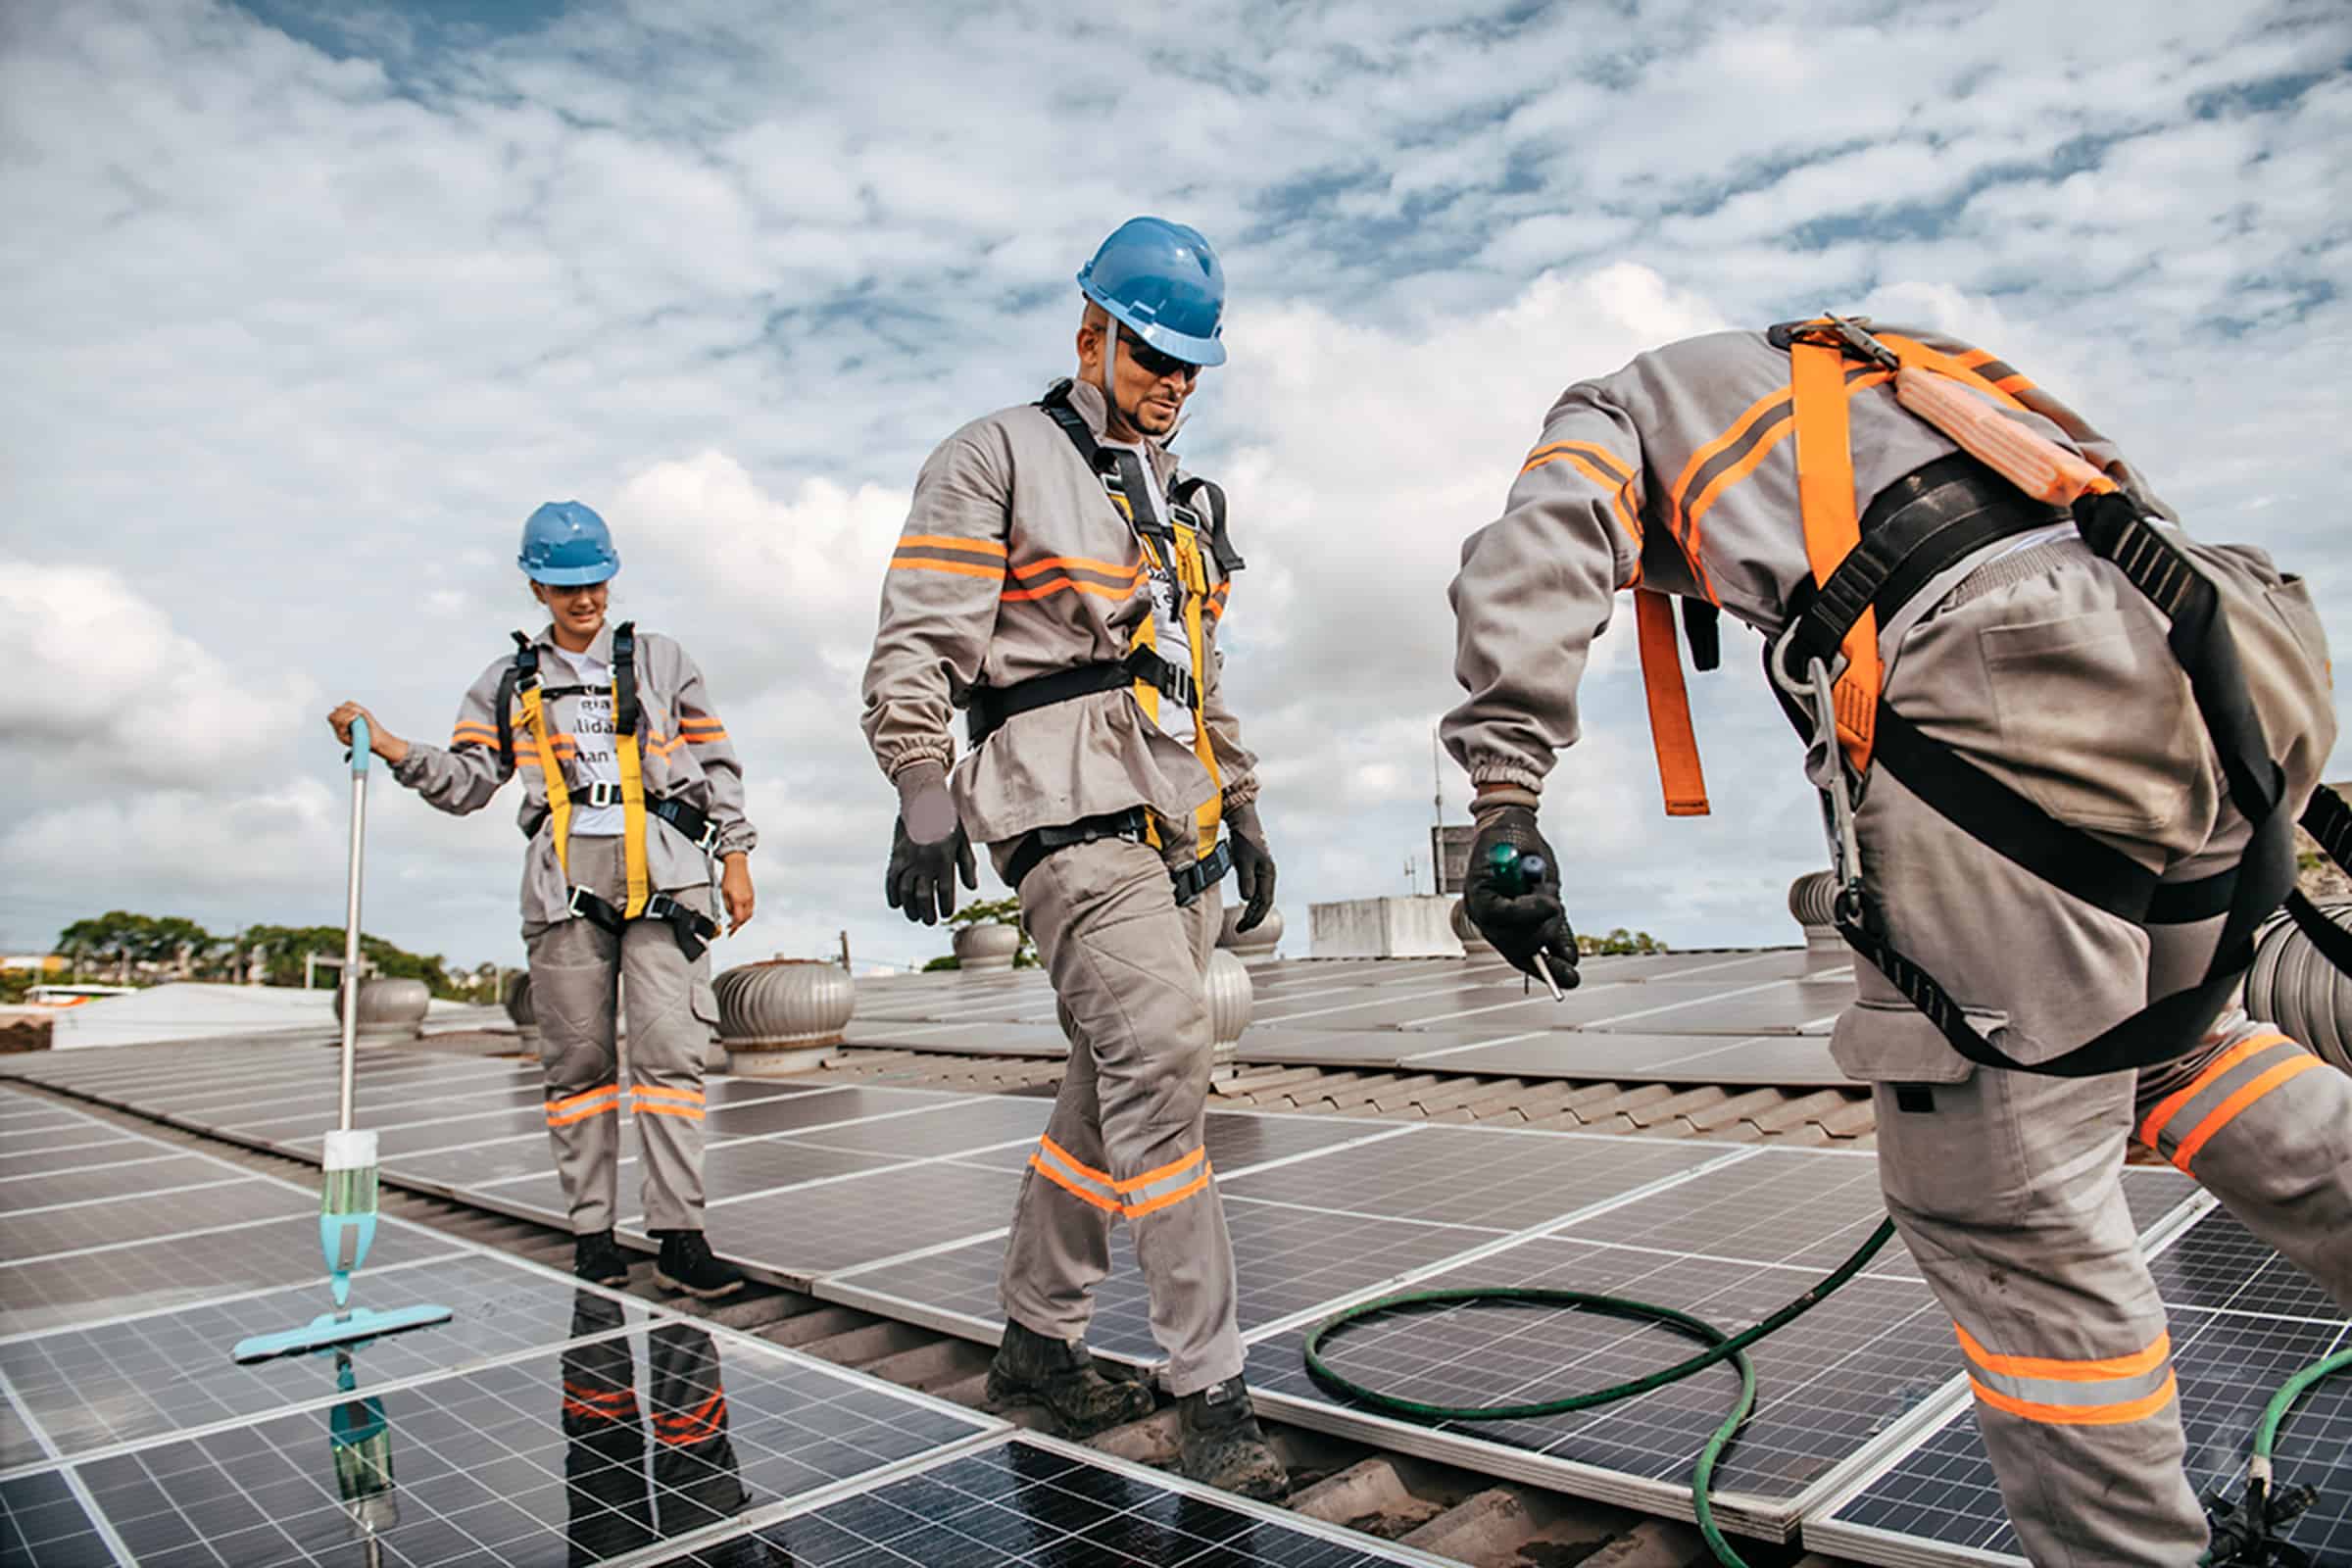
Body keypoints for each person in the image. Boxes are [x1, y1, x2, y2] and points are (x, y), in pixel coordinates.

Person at [1443, 316, 2352, 1565]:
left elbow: (1539, 548)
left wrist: (1505, 797)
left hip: (2013, 670)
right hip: (2229, 636)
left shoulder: (1617, 406)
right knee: (2188, 1054)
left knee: (2010, 1200)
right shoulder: (1885, 367)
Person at [858, 217, 1285, 1498]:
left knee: (1108, 1098)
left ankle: (1036, 1346)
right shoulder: (994, 457)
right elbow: (916, 639)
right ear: (1090, 330)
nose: (1172, 381)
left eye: (1192, 363)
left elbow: (1195, 676)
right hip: (1067, 812)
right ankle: (1209, 1390)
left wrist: (1245, 803)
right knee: (1163, 1057)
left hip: (1185, 835)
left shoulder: (1184, 508)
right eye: (1152, 352)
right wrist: (922, 782)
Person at [328, 500, 756, 1299]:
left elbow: (718, 762)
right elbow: (465, 785)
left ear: (611, 577)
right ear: (535, 587)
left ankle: (680, 1236)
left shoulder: (663, 660)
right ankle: (593, 1234)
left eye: (595, 581)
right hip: (564, 882)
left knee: (671, 1058)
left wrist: (735, 854)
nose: (584, 599)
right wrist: (389, 746)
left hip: (667, 873)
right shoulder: (507, 683)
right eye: (565, 586)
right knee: (578, 1063)